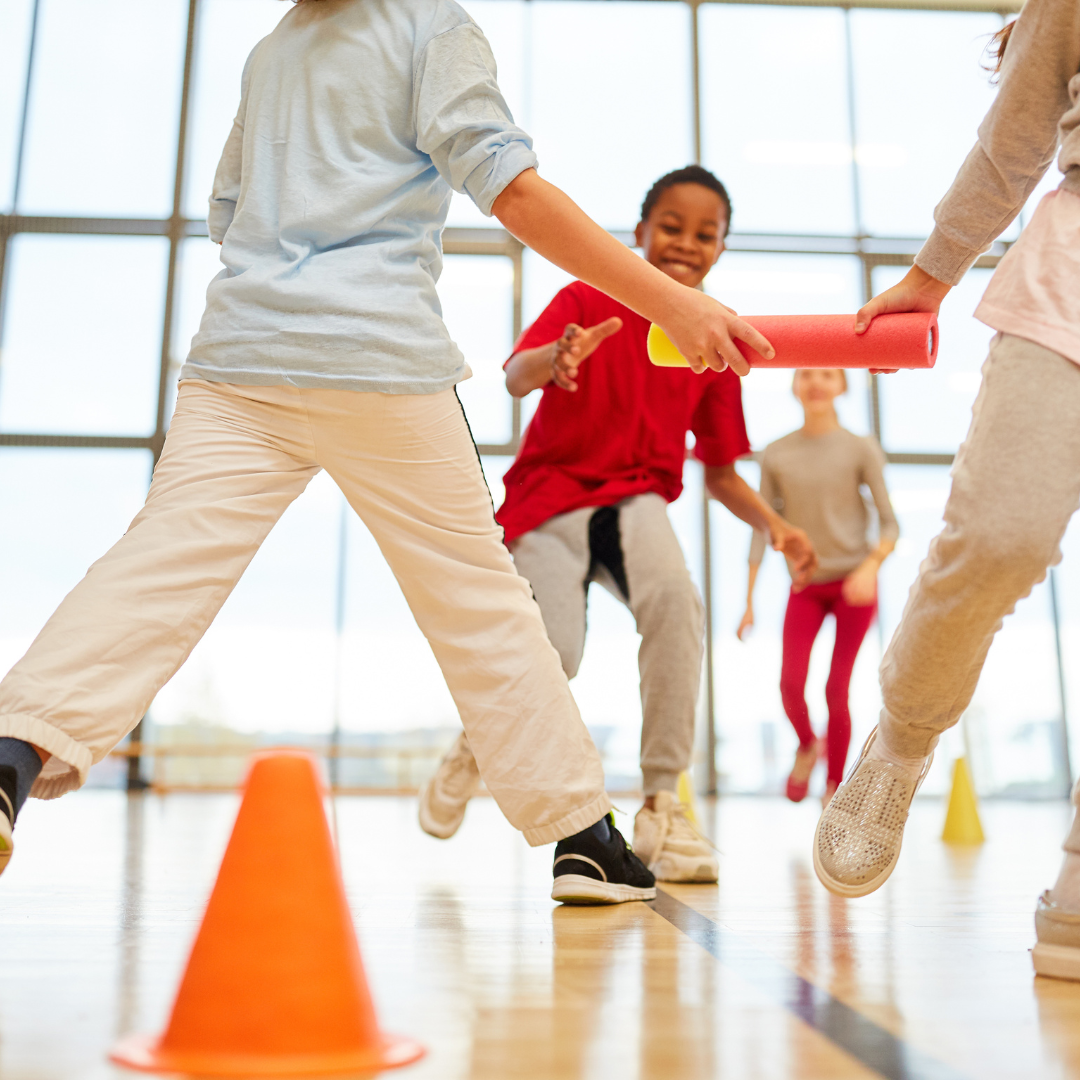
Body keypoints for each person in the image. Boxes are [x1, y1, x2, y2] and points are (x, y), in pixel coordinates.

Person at [0, 0, 780, 907]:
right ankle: (583, 837)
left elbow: (226, 213)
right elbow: (512, 189)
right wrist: (672, 304)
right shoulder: (430, 28)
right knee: (479, 601)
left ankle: (12, 751)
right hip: (378, 365)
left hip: (240, 361)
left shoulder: (273, 48)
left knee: (155, 566)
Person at [418, 166, 817, 883]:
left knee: (677, 606)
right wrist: (558, 356)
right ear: (640, 233)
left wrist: (777, 528)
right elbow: (515, 376)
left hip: (636, 501)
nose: (687, 244)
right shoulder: (584, 295)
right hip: (552, 496)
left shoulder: (713, 341)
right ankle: (475, 746)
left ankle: (663, 805)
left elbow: (722, 471)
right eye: (671, 227)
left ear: (722, 248)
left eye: (706, 235)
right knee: (556, 656)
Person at [812, 0, 1080, 979]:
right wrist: (932, 275)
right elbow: (1016, 137)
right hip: (1071, 275)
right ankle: (905, 736)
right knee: (1000, 538)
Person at [738, 368, 897, 808]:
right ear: (794, 386)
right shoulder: (776, 453)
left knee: (835, 689)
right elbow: (761, 527)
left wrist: (871, 565)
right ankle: (808, 744)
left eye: (828, 375)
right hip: (805, 584)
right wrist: (749, 601)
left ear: (843, 387)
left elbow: (889, 522)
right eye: (806, 374)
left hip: (854, 585)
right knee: (790, 684)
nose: (816, 383)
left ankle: (832, 792)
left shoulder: (859, 447)